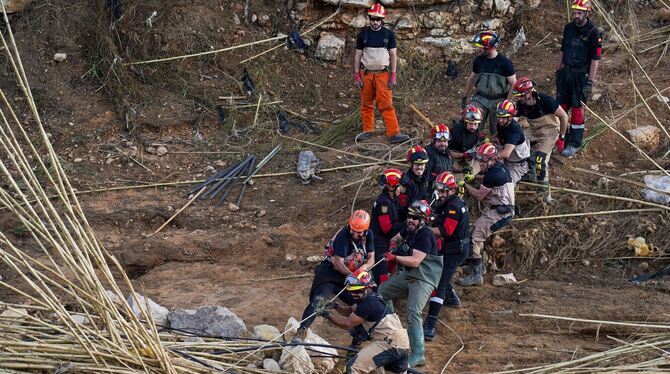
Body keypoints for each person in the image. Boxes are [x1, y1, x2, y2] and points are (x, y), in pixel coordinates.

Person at [379, 200, 442, 367]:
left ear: (423, 220)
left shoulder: (425, 234)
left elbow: (415, 261)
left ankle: (418, 353)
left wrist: (394, 257)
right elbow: (396, 237)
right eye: (409, 216)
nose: (410, 220)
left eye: (415, 217)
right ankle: (394, 331)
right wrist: (393, 245)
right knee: (382, 292)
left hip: (424, 278)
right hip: (409, 275)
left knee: (413, 313)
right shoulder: (410, 229)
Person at [296, 210, 375, 338]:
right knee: (318, 300)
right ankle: (301, 331)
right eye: (353, 230)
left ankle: (357, 339)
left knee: (361, 304)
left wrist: (365, 267)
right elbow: (338, 262)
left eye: (359, 232)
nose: (355, 234)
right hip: (331, 274)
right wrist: (353, 276)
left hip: (351, 276)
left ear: (365, 230)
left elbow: (372, 257)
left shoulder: (369, 235)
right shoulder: (343, 235)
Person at [316, 271, 410, 374]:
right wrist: (335, 306)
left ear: (367, 288)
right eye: (351, 291)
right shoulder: (370, 299)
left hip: (389, 344)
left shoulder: (368, 305)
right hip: (402, 344)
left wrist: (327, 315)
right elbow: (350, 311)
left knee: (352, 368)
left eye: (357, 291)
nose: (353, 294)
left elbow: (347, 324)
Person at [458, 143, 514, 286]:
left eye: (484, 161)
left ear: (492, 159)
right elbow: (487, 178)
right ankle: (479, 267)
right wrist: (475, 178)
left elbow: (478, 195)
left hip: (500, 213)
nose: (481, 163)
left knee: (474, 238)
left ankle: (476, 275)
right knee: (473, 233)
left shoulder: (493, 173)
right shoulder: (498, 168)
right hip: (501, 210)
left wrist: (465, 185)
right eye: (480, 160)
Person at [422, 172, 469, 341]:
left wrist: (424, 229)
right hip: (453, 247)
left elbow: (445, 231)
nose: (440, 194)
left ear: (452, 190)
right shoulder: (449, 202)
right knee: (442, 273)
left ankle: (430, 324)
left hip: (456, 249)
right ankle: (452, 298)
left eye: (443, 191)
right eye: (439, 190)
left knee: (439, 284)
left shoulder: (453, 206)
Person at [354, 3, 410, 144]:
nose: (375, 22)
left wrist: (393, 75)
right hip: (366, 74)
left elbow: (393, 56)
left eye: (378, 19)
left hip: (382, 74)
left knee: (386, 104)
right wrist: (356, 75)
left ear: (382, 20)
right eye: (373, 19)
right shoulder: (363, 34)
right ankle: (368, 131)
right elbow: (357, 55)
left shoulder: (388, 35)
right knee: (366, 104)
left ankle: (393, 133)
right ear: (369, 19)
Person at [555, 0, 602, 157]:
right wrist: (558, 69)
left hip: (581, 75)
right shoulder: (568, 28)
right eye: (574, 12)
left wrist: (590, 82)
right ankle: (561, 138)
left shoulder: (593, 32)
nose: (575, 16)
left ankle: (575, 143)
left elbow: (595, 60)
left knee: (576, 109)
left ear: (586, 13)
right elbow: (563, 49)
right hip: (565, 73)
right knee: (560, 107)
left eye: (579, 13)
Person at [512, 77, 569, 193]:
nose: (519, 99)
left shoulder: (545, 100)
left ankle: (543, 190)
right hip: (534, 130)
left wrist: (561, 138)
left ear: (529, 93)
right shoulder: (520, 104)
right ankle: (527, 173)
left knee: (540, 159)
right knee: (515, 145)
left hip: (551, 132)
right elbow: (513, 120)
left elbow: (564, 116)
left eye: (521, 95)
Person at [462, 30, 517, 136]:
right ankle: (471, 146)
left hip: (498, 101)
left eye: (481, 46)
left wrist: (506, 103)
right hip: (480, 99)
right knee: (471, 121)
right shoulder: (478, 61)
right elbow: (472, 78)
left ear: (488, 47)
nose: (479, 49)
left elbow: (514, 85)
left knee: (498, 131)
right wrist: (465, 97)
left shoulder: (505, 63)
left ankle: (494, 150)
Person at [370, 168, 405, 285]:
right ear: (391, 187)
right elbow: (387, 228)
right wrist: (405, 226)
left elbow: (401, 213)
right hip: (378, 243)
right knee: (381, 274)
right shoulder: (383, 203)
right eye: (399, 186)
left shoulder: (392, 200)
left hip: (384, 242)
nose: (401, 189)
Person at [494, 100, 531, 184]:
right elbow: (497, 135)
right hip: (506, 157)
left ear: (510, 117)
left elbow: (506, 154)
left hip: (517, 165)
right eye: (499, 117)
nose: (500, 120)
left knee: (505, 185)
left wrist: (489, 157)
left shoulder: (514, 130)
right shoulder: (502, 123)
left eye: (503, 117)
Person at [449, 105, 487, 174]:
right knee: (459, 177)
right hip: (454, 158)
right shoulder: (456, 132)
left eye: (475, 124)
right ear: (465, 122)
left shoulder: (477, 131)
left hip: (469, 155)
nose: (473, 127)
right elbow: (447, 152)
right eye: (470, 124)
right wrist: (464, 155)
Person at [397, 145, 430, 219]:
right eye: (417, 164)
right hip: (411, 219)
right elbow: (403, 209)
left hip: (423, 214)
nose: (420, 167)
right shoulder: (405, 183)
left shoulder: (425, 177)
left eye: (422, 164)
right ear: (410, 164)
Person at [425, 123, 454, 189]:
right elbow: (425, 178)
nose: (443, 144)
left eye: (445, 141)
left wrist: (462, 170)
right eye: (439, 141)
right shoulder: (428, 154)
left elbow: (451, 166)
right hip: (434, 189)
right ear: (433, 141)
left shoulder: (446, 151)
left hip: (446, 187)